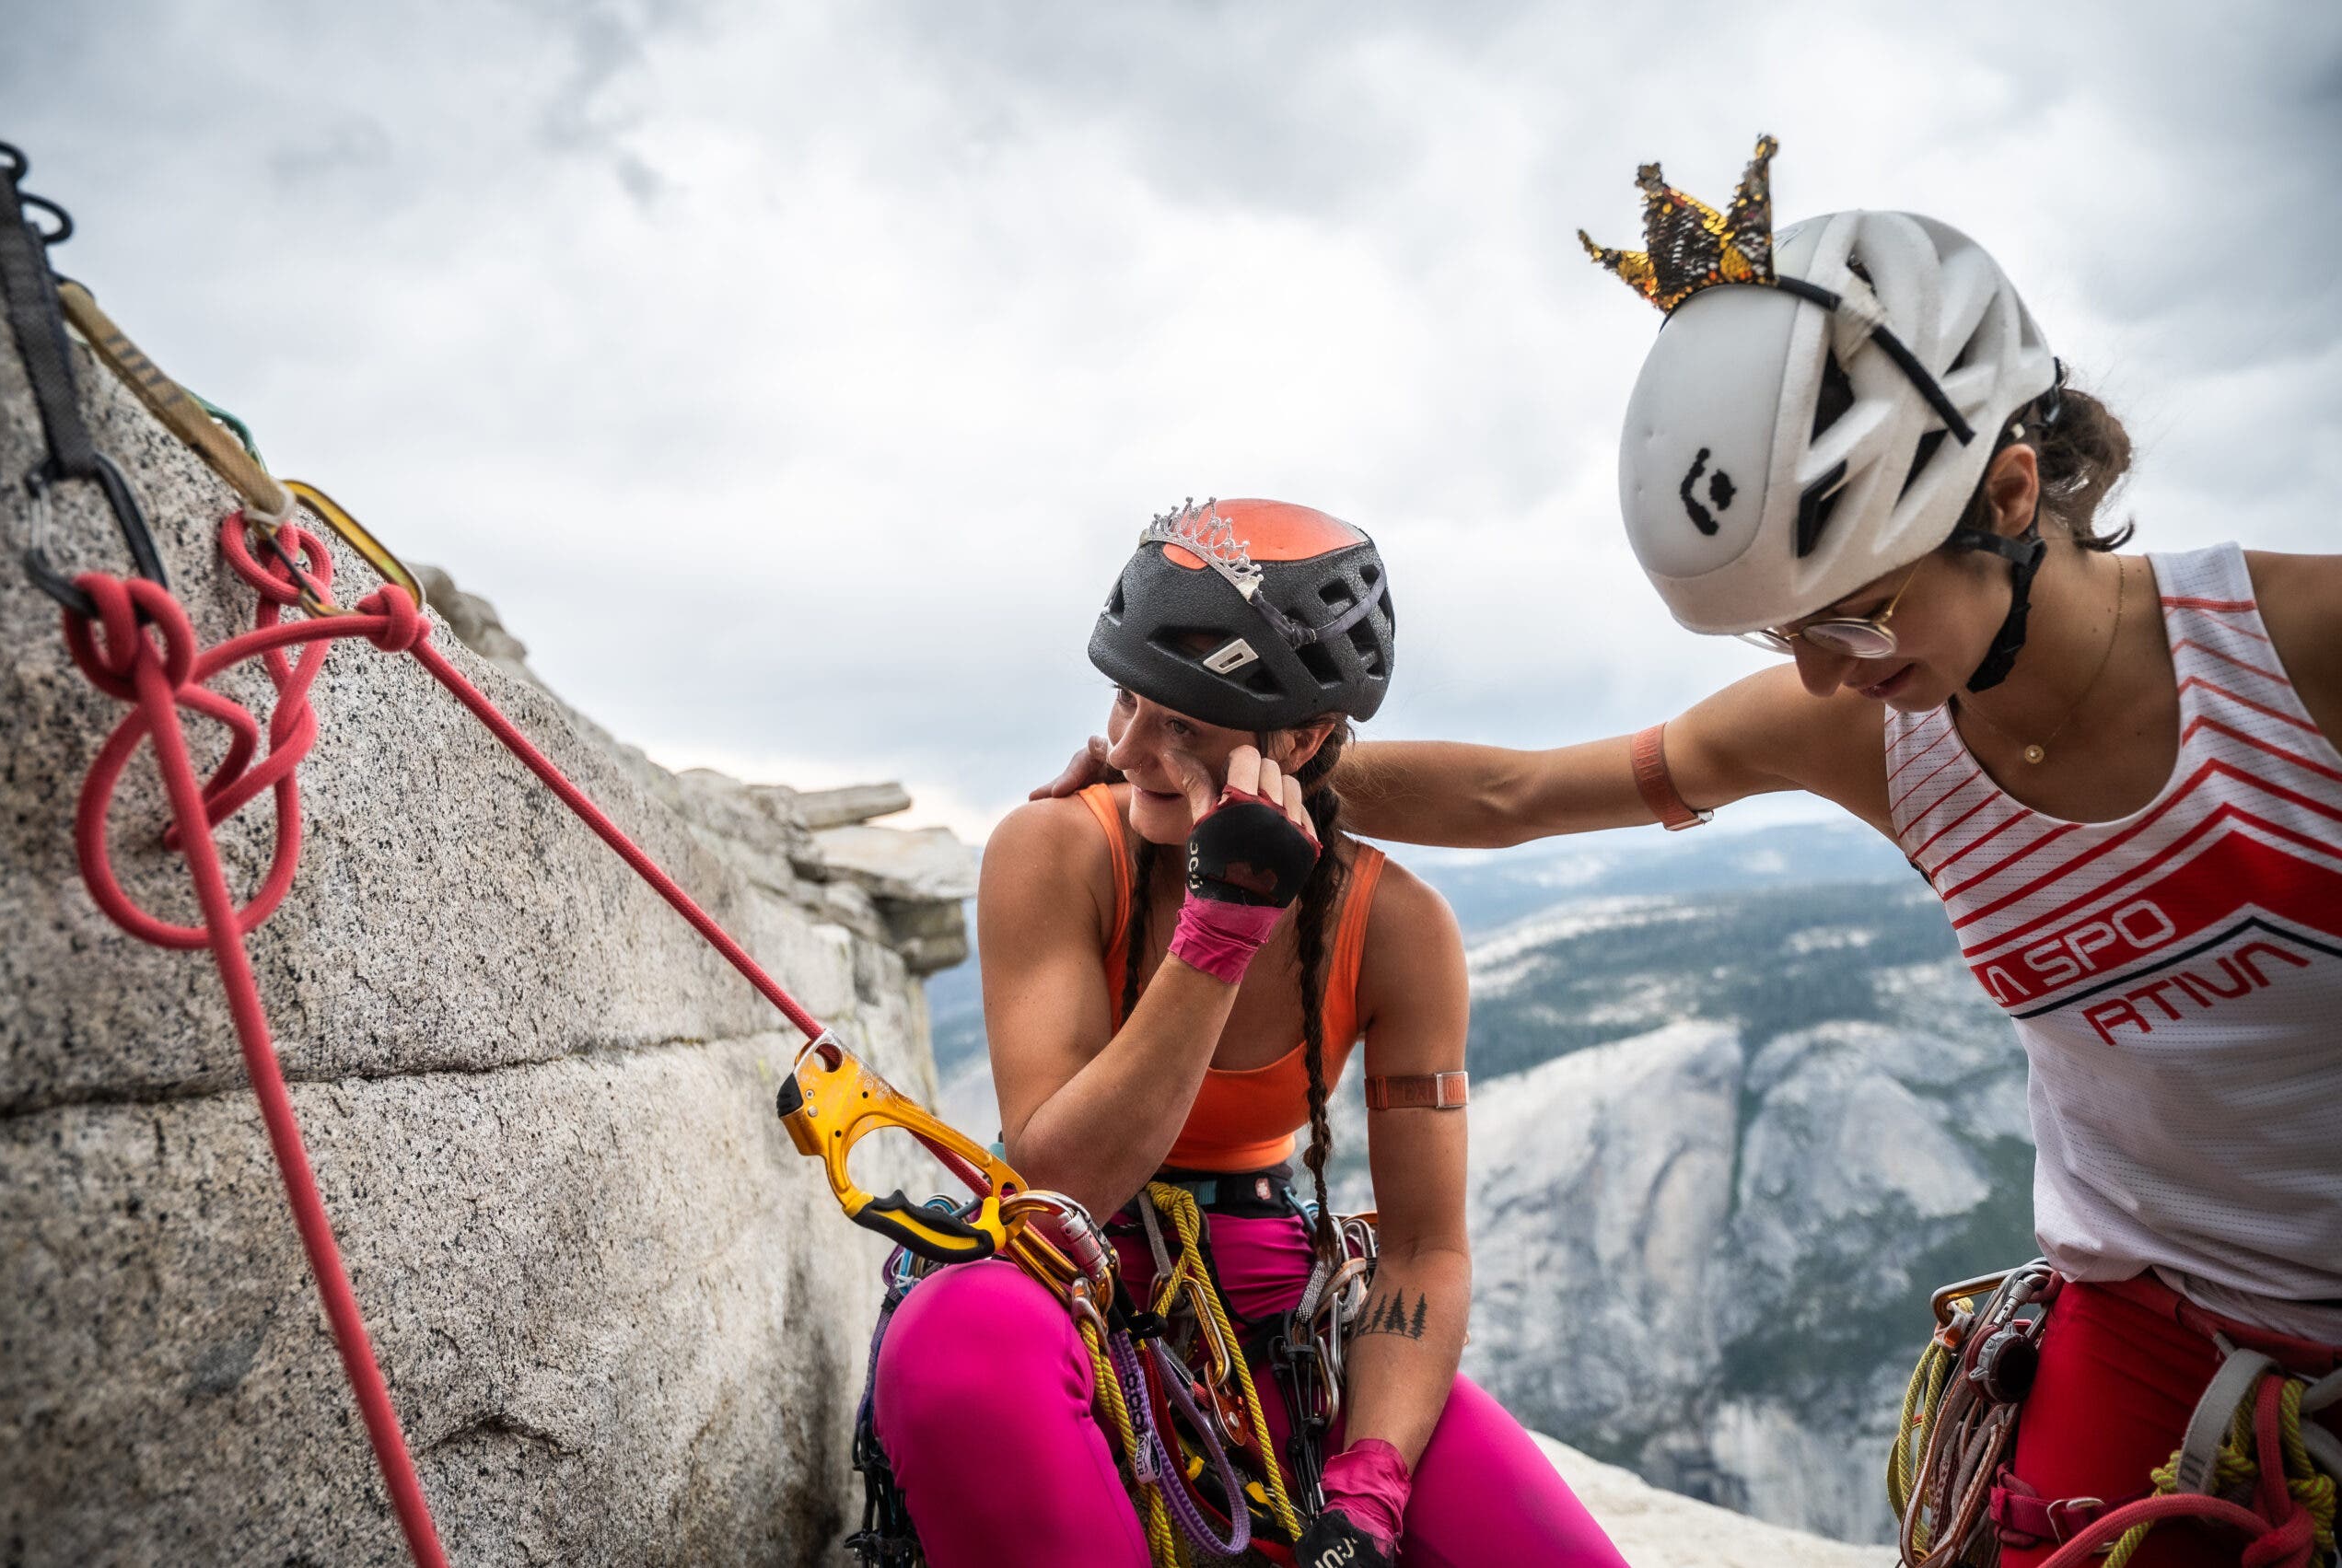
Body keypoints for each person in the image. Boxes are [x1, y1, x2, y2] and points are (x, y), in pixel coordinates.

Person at [1042, 143, 2342, 1567]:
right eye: (1786, 637)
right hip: (2138, 1316)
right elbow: (1518, 791)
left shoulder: (2297, 655)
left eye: (1856, 617)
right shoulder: (1875, 729)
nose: (1828, 677)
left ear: (2015, 494)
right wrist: (1198, 748)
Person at [877, 499, 1628, 1568]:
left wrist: (1368, 1484)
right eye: (1127, 698)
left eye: (1183, 721)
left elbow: (1422, 1248)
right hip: (1062, 1278)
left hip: (1272, 1303)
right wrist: (1219, 927)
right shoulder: (1054, 849)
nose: (1130, 746)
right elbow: (1061, 1172)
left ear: (1306, 738)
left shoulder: (1398, 927)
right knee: (958, 1345)